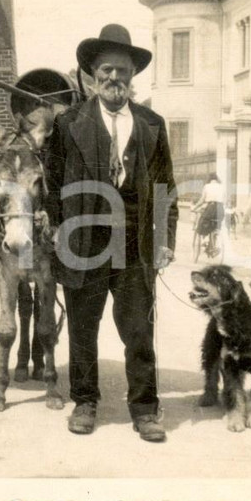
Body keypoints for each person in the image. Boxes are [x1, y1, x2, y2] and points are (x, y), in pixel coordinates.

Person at [45, 24, 178, 442]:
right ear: (92, 74)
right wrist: (56, 228)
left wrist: (164, 241)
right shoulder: (68, 124)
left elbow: (165, 188)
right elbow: (51, 183)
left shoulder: (152, 124)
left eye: (121, 70)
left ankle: (144, 409)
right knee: (84, 326)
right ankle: (85, 402)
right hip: (83, 240)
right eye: (106, 70)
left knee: (139, 327)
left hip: (134, 241)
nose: (114, 79)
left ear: (132, 76)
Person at [194, 174, 225, 239]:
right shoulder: (222, 187)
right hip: (220, 209)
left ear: (209, 179)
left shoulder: (207, 186)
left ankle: (205, 240)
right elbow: (224, 200)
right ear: (217, 179)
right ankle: (214, 242)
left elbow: (202, 200)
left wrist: (195, 207)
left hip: (211, 208)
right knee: (216, 226)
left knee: (203, 222)